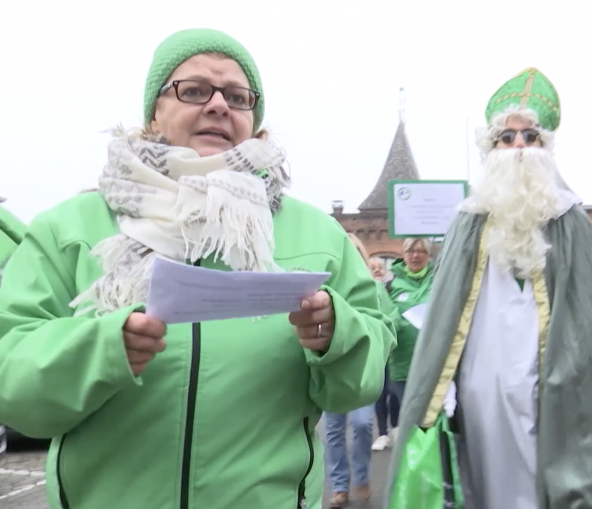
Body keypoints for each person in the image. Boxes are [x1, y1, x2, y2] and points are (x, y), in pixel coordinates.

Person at [0, 28, 396, 509]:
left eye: (237, 96)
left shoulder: (319, 236)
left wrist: (339, 335)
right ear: (153, 113)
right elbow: (12, 381)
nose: (218, 106)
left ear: (254, 119)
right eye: (193, 91)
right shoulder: (69, 228)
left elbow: (362, 380)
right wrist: (101, 350)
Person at [385, 68, 592, 509]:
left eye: (529, 136)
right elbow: (445, 319)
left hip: (550, 392)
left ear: (545, 146)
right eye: (507, 137)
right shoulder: (468, 219)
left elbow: (585, 320)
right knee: (481, 484)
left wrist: (565, 377)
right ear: (491, 147)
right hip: (478, 394)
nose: (518, 147)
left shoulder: (571, 221)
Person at [322, 234, 394, 508]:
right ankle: (340, 487)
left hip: (363, 370)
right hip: (330, 369)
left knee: (363, 425)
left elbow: (389, 325)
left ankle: (361, 477)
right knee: (334, 431)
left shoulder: (373, 288)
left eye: (354, 251)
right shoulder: (325, 286)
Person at [386, 239, 434, 408]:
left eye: (421, 251)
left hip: (435, 364)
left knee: (436, 420)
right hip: (403, 366)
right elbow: (386, 316)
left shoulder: (441, 280)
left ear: (429, 256)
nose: (415, 255)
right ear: (403, 256)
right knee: (410, 419)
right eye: (410, 251)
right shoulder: (390, 285)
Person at [367, 257, 400, 452]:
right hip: (377, 350)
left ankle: (395, 426)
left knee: (393, 391)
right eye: (374, 268)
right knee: (380, 393)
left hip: (393, 350)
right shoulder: (365, 289)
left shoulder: (394, 287)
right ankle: (382, 433)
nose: (378, 270)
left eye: (380, 267)